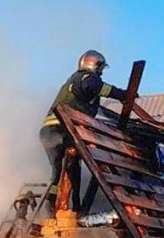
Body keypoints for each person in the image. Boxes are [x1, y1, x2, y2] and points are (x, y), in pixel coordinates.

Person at [40, 49, 128, 210]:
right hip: (62, 130)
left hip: (49, 131)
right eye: (100, 68)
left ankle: (52, 206)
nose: (101, 72)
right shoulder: (87, 78)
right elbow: (94, 87)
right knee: (72, 168)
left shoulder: (73, 80)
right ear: (94, 65)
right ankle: (74, 207)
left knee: (60, 170)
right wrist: (123, 94)